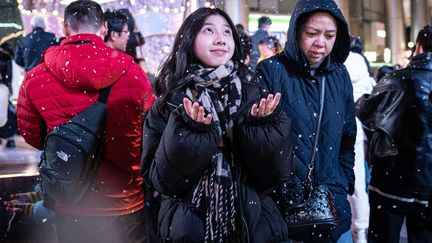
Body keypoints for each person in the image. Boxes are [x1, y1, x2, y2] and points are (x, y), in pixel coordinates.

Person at [141, 7, 292, 242]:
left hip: (253, 225)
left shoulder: (254, 92)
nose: (220, 39)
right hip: (191, 228)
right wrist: (190, 135)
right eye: (208, 30)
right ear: (189, 39)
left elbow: (275, 175)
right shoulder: (170, 102)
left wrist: (262, 129)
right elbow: (161, 181)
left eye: (226, 32)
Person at [16, 1, 155, 242]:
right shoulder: (132, 72)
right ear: (103, 28)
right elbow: (150, 128)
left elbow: (34, 136)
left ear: (65, 28)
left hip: (68, 198)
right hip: (124, 198)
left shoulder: (35, 77)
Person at [256, 0, 356, 242]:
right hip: (285, 207)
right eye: (312, 33)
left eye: (329, 35)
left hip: (332, 204)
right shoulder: (271, 70)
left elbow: (347, 137)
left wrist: (344, 182)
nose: (320, 43)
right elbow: (257, 143)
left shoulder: (340, 75)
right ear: (296, 32)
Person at [356, 24, 432, 243]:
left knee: (384, 236)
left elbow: (365, 111)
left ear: (418, 47)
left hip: (391, 178)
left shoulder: (397, 79)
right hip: (428, 187)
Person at [344, 38, 375, 243]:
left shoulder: (338, 61)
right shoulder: (358, 61)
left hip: (340, 127)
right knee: (357, 183)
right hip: (355, 127)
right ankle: (361, 231)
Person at [0, 42, 16, 148]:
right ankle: (10, 138)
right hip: (4, 89)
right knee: (6, 112)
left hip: (4, 88)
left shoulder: (5, 57)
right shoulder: (6, 57)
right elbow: (9, 77)